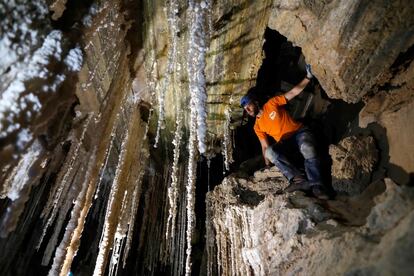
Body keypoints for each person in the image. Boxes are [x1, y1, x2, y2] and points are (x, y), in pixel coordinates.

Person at [240, 64, 328, 199]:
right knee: (270, 152)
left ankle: (317, 186)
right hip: (285, 143)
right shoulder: (257, 126)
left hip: (299, 132)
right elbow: (264, 146)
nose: (248, 110)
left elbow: (292, 93)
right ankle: (299, 180)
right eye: (245, 109)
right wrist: (267, 164)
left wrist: (308, 77)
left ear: (255, 102)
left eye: (248, 105)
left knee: (307, 147)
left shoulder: (272, 104)